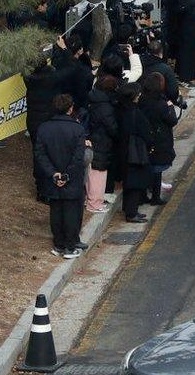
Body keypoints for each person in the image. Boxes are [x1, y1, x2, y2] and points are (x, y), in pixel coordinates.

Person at [33, 94, 87, 258]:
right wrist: (66, 175)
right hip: (72, 177)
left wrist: (53, 173)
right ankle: (70, 245)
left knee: (56, 210)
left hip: (52, 178)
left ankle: (59, 244)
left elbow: (40, 154)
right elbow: (78, 157)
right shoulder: (78, 129)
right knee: (71, 210)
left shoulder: (43, 128)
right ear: (70, 109)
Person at [116, 82, 153, 223]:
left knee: (128, 182)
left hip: (123, 150)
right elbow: (146, 133)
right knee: (135, 183)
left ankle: (128, 208)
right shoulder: (135, 113)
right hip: (135, 153)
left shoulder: (121, 110)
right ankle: (132, 213)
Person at [139, 72, 178, 206]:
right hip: (159, 138)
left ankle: (143, 195)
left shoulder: (142, 100)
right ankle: (155, 197)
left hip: (145, 137)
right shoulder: (161, 104)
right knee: (157, 169)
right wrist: (171, 106)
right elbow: (172, 120)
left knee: (146, 167)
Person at [86, 74, 118, 213]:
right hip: (101, 142)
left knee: (91, 173)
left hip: (93, 139)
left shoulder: (92, 98)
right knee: (98, 174)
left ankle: (92, 200)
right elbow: (112, 128)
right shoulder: (105, 107)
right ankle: (94, 203)